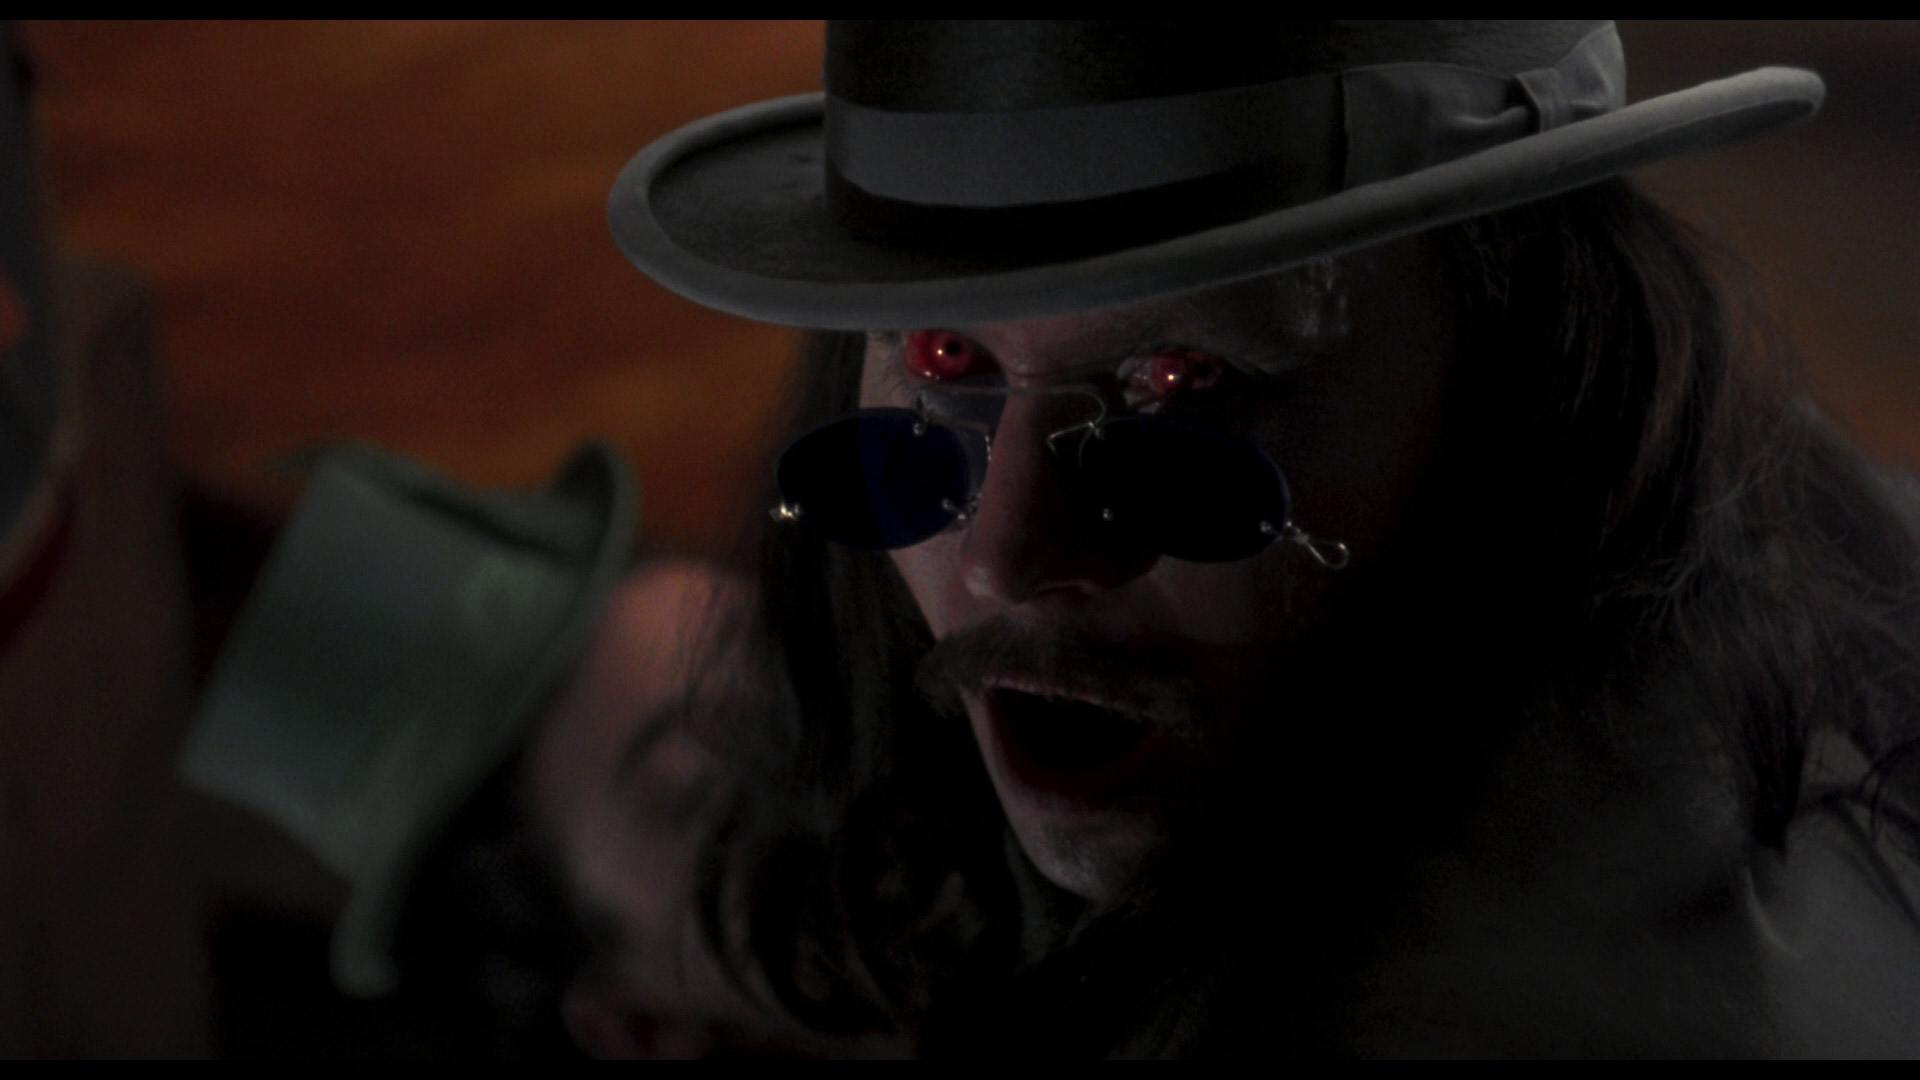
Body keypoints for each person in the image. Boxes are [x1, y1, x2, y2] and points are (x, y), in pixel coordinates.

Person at [605, 21, 1920, 1055]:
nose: (1007, 557)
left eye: (1186, 382)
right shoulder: (1795, 531)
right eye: (947, 359)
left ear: (1528, 369)